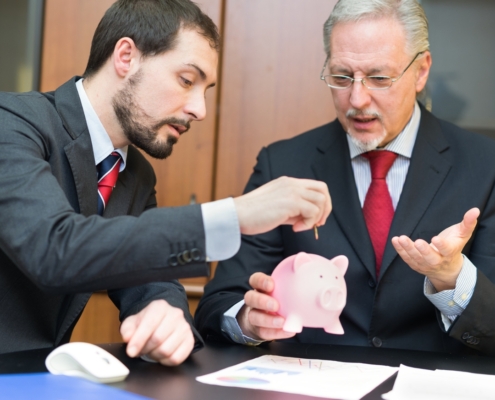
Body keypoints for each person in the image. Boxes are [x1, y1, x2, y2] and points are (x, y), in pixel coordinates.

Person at [0, 0, 331, 363]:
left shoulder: (136, 175)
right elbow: (54, 250)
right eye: (186, 80)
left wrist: (168, 319)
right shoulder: (11, 123)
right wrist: (233, 214)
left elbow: (153, 282)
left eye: (205, 90)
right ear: (126, 57)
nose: (199, 110)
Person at [195, 0, 495, 355]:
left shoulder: (485, 167)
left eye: (379, 78)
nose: (357, 99)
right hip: (310, 380)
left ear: (421, 71)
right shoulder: (283, 163)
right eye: (341, 77)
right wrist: (249, 320)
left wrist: (452, 278)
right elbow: (218, 304)